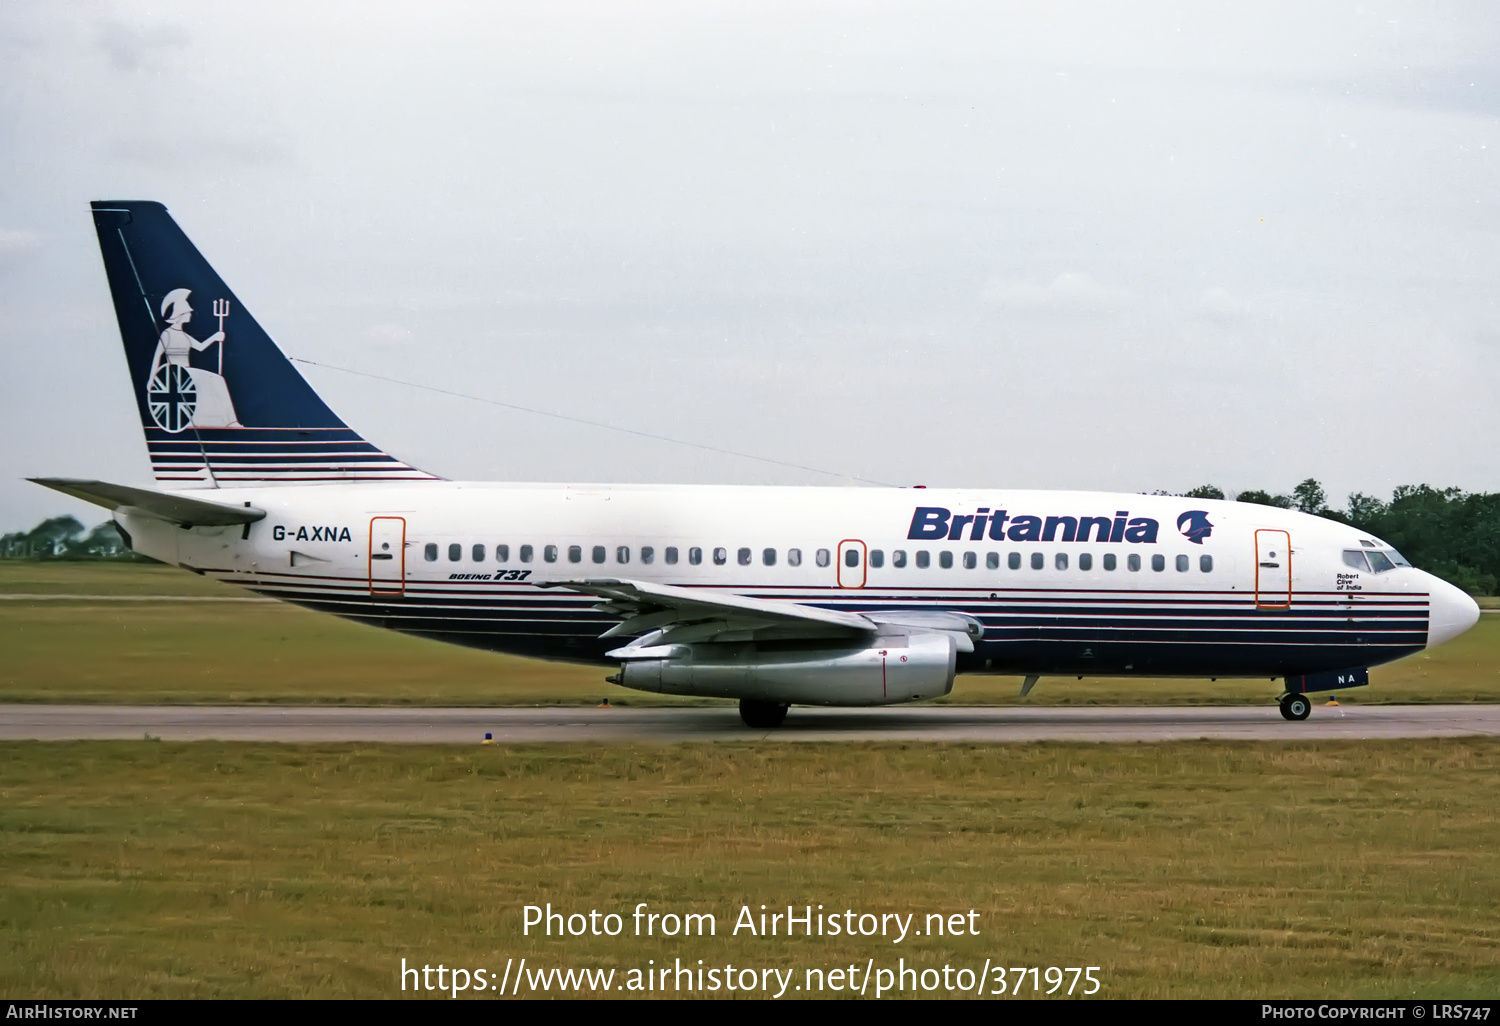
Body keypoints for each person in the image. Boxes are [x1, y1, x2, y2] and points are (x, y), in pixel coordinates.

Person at [148, 288, 240, 429]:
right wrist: (151, 379)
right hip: (176, 373)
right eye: (188, 312)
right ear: (181, 314)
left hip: (188, 371)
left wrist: (215, 337)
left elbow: (200, 347)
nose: (191, 314)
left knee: (218, 379)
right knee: (212, 380)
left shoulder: (184, 335)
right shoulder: (167, 334)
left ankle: (226, 420)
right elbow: (157, 357)